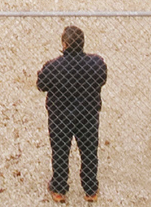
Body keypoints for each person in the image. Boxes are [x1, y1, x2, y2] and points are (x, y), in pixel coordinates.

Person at [40, 24, 108, 198]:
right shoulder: (96, 63)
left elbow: (41, 85)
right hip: (88, 115)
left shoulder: (53, 66)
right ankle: (90, 189)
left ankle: (59, 188)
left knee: (60, 151)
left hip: (60, 116)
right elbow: (102, 80)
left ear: (64, 44)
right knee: (89, 151)